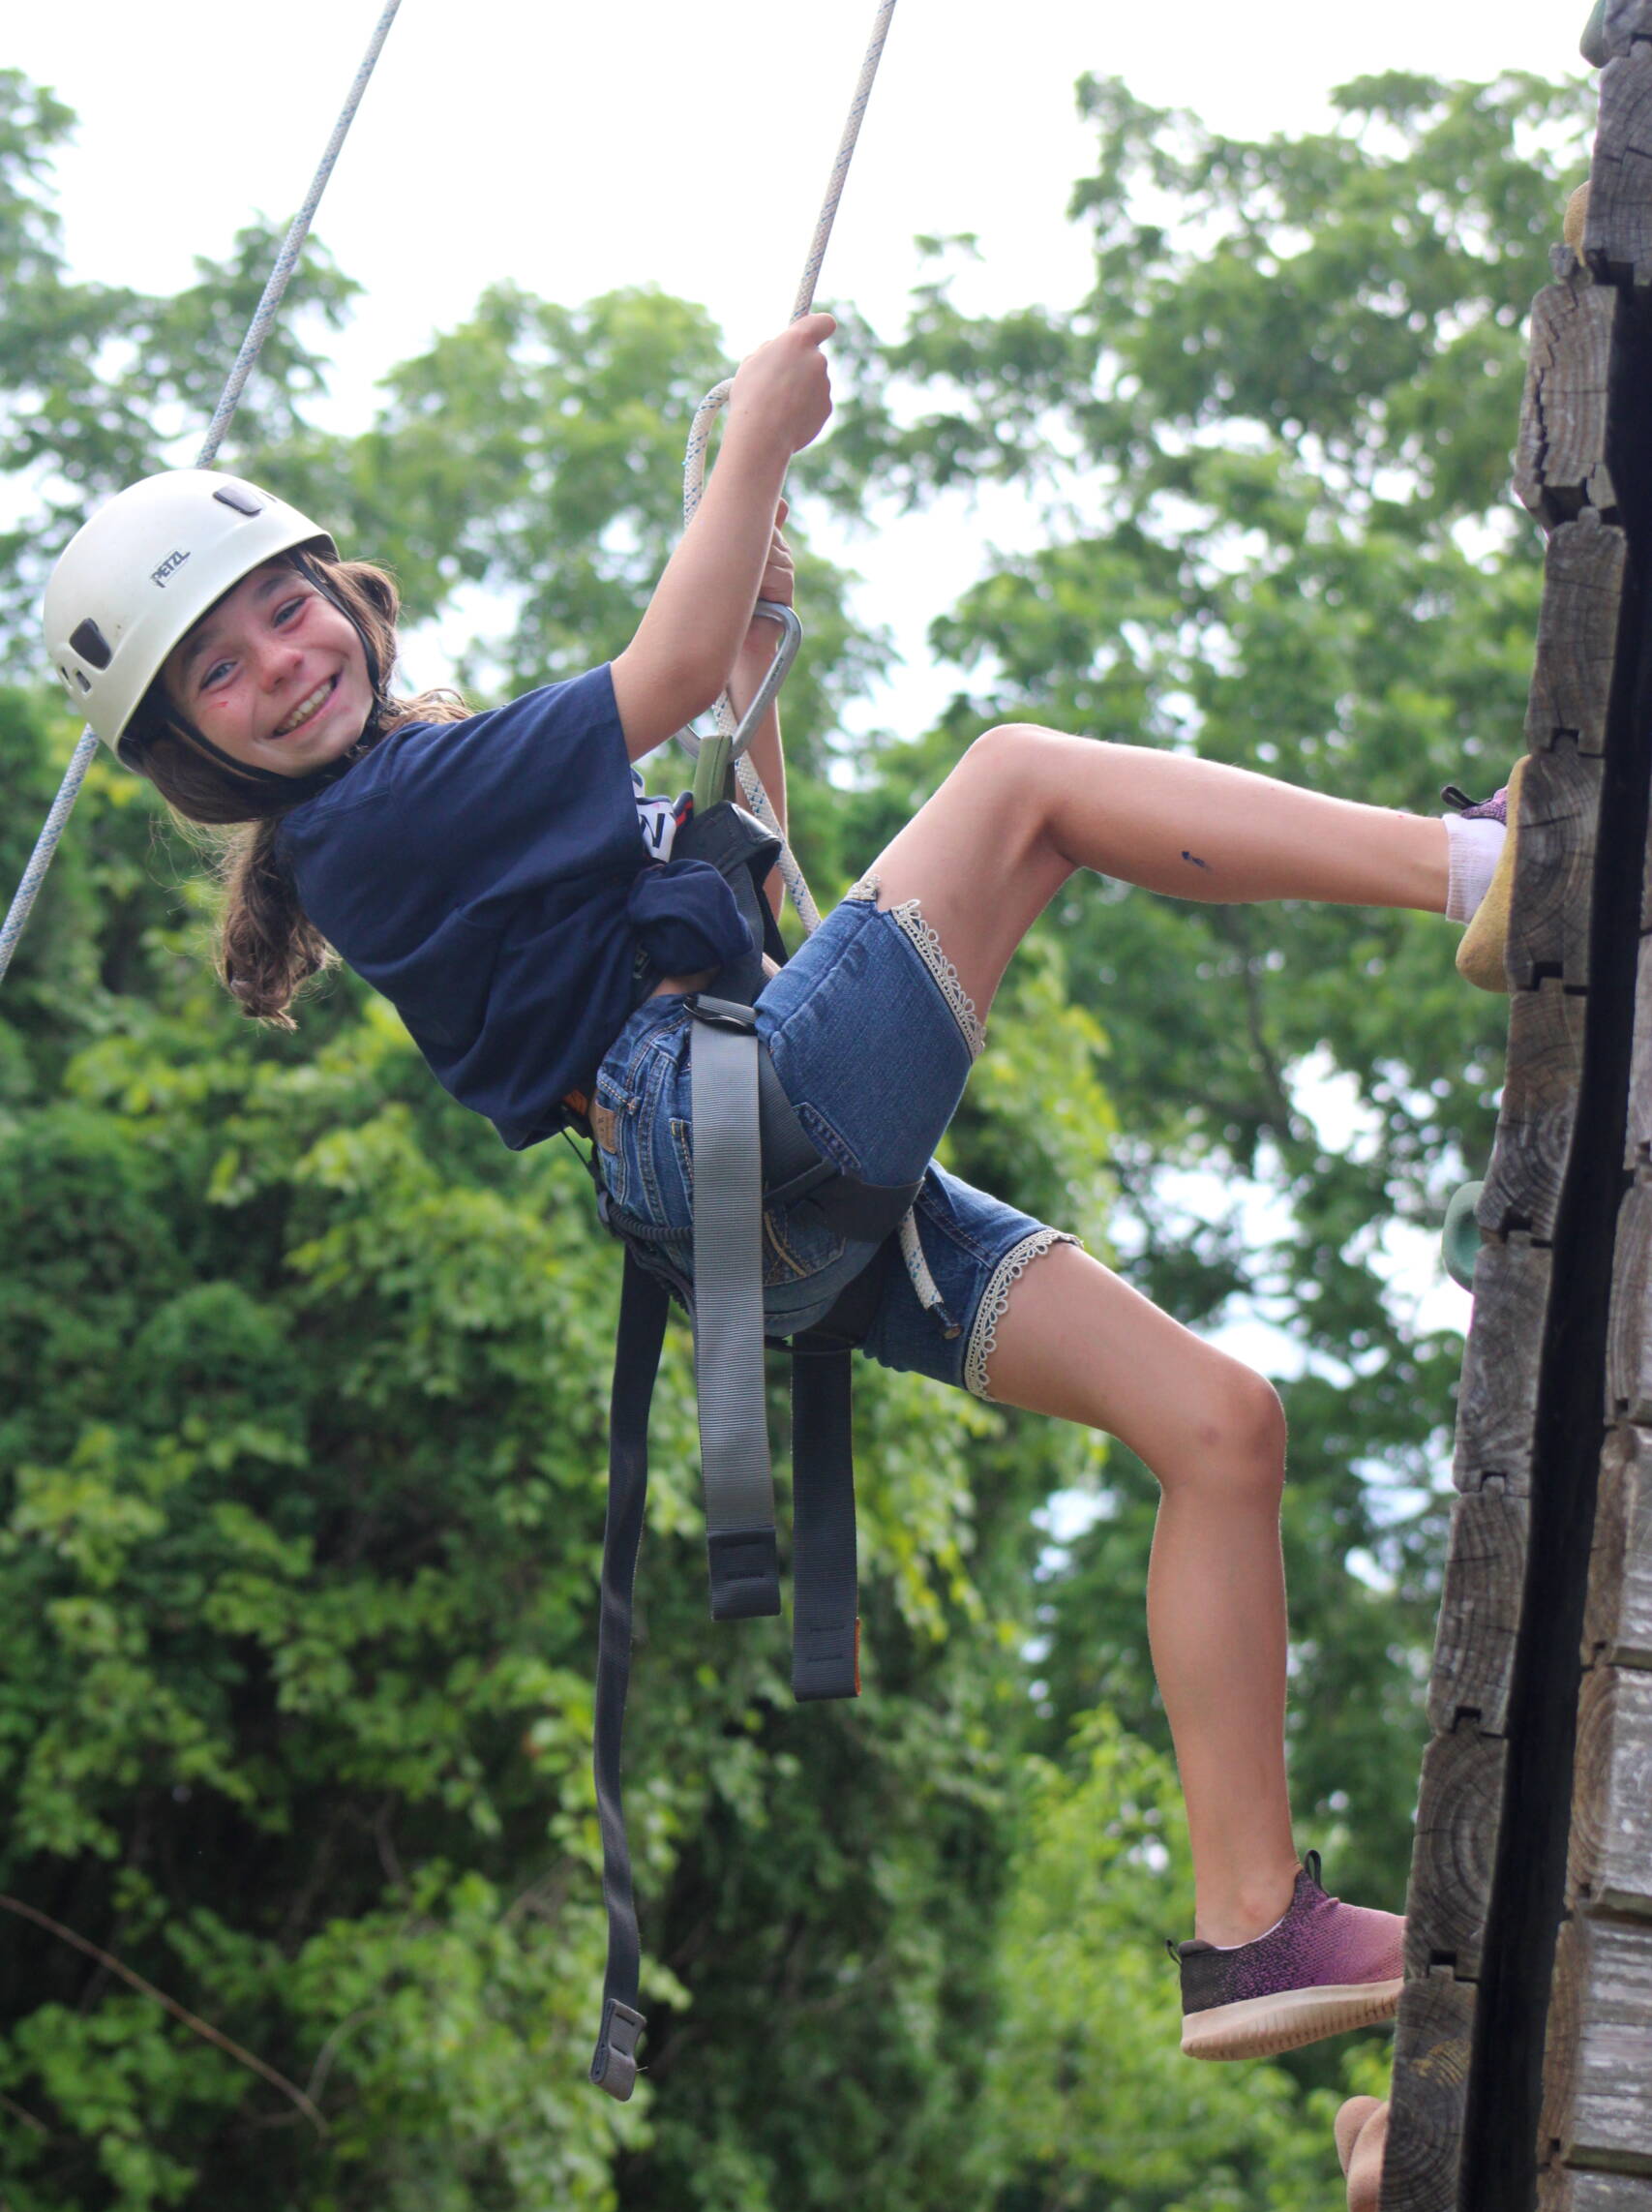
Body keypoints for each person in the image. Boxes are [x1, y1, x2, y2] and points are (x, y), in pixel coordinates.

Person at [42, 314, 1510, 2062]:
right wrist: (755, 446)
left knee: (1218, 1421)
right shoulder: (378, 813)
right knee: (1022, 778)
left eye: (284, 608)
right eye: (221, 671)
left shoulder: (449, 806)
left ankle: (1251, 1927)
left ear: (341, 598)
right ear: (202, 754)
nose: (280, 662)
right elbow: (652, 690)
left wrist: (754, 656)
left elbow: (739, 838)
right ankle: (1483, 868)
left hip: (745, 1198)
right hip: (719, 1129)